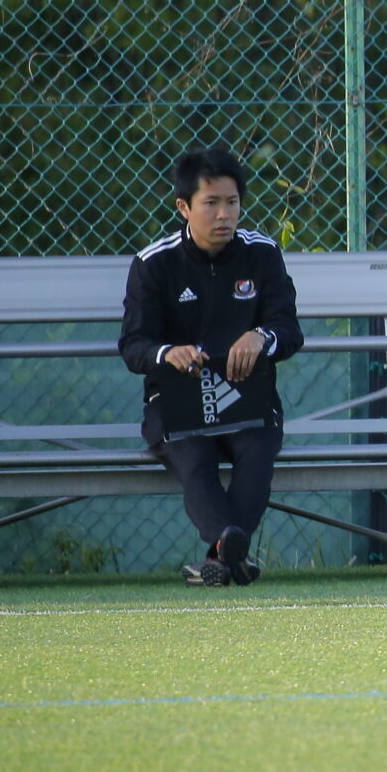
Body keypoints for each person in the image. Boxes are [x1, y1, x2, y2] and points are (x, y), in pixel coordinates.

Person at [119, 148, 302, 587]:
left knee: (258, 452)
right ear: (184, 207)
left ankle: (219, 554)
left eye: (232, 202)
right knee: (195, 459)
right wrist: (168, 353)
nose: (224, 215)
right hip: (177, 402)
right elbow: (133, 345)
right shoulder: (153, 263)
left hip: (247, 399)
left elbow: (289, 331)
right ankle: (230, 551)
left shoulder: (262, 254)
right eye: (211, 203)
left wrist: (262, 337)